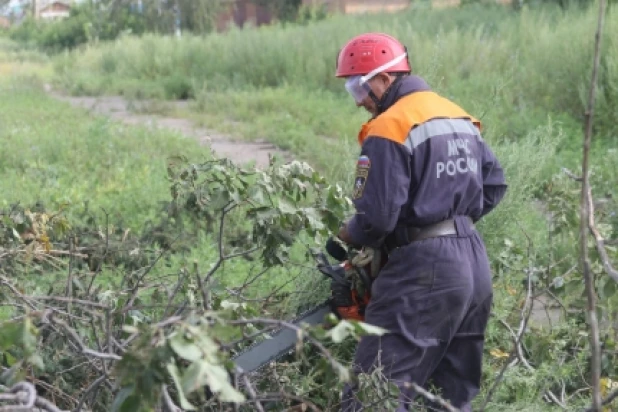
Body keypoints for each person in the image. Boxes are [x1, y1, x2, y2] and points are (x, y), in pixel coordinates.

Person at [333, 33, 508, 411]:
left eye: (358, 86)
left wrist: (350, 231)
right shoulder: (456, 114)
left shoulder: (389, 126)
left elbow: (376, 217)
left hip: (423, 273)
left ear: (383, 78)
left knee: (374, 394)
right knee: (448, 396)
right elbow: (494, 185)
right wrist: (449, 219)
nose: (360, 100)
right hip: (473, 264)